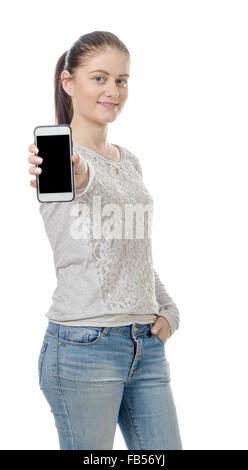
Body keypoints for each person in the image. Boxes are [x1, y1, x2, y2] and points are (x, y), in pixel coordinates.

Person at [27, 31, 183, 450]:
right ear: (68, 82)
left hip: (145, 346)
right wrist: (83, 176)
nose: (113, 91)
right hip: (84, 347)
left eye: (122, 80)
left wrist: (167, 308)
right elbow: (86, 183)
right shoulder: (59, 162)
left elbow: (132, 250)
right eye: (99, 78)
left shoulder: (129, 161)